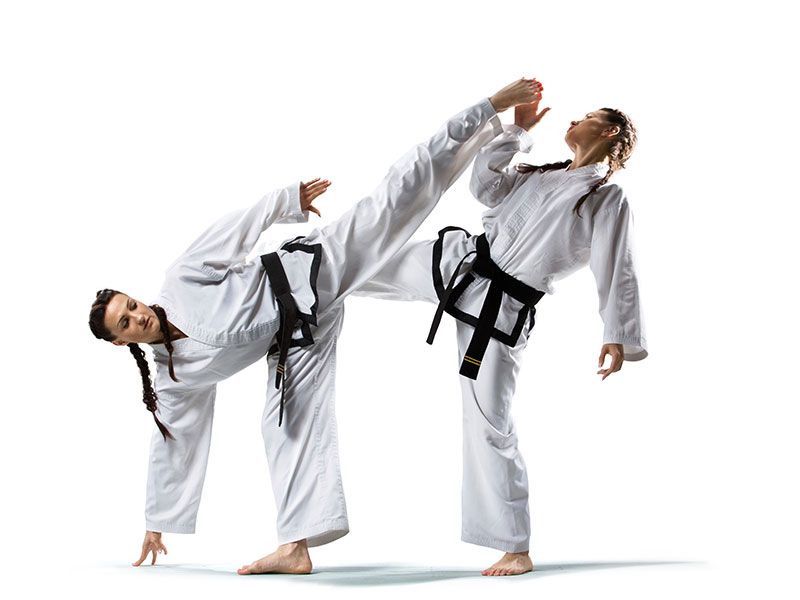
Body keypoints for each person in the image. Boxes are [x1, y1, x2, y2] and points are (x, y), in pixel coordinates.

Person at [87, 78, 543, 575]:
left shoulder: (181, 280)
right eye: (126, 323)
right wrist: (157, 521)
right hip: (296, 339)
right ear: (119, 341)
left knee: (396, 196)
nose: (139, 315)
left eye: (131, 304)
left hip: (311, 271)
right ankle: (296, 547)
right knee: (283, 423)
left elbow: (234, 230)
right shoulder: (175, 376)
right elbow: (174, 439)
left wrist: (286, 202)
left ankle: (490, 113)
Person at [354, 93, 647, 576]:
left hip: (499, 309)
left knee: (490, 421)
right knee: (359, 262)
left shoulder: (604, 197)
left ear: (612, 132)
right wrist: (516, 132)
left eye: (591, 117)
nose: (576, 118)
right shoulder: (542, 174)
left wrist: (616, 332)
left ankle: (514, 545)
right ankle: (286, 286)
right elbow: (485, 187)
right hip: (461, 263)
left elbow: (619, 265)